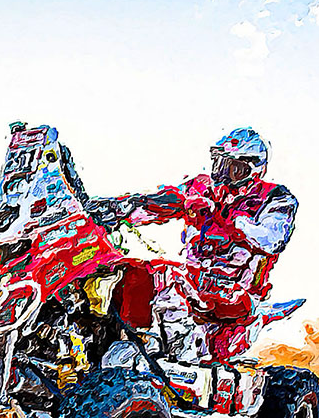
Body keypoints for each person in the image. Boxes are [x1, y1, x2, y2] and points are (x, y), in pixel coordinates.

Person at [90, 127, 298, 363]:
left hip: (237, 293)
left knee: (168, 279)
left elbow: (270, 240)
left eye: (234, 169)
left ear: (254, 170)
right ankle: (130, 338)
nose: (223, 176)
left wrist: (223, 217)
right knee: (132, 271)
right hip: (195, 281)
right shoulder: (202, 188)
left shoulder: (276, 199)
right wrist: (120, 209)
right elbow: (165, 203)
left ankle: (182, 355)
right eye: (220, 165)